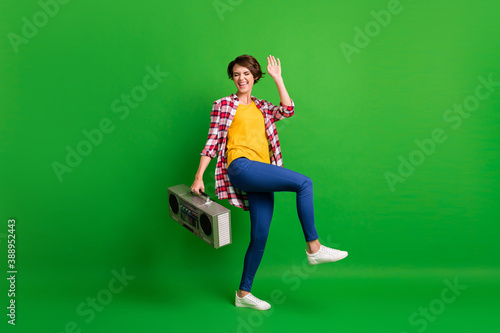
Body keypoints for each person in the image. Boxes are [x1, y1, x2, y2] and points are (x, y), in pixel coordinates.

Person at [191, 54, 348, 311]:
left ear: (254, 77)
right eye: (236, 74)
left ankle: (243, 293)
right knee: (304, 183)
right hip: (240, 166)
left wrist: (279, 79)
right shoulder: (223, 105)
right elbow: (211, 142)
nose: (241, 78)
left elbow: (287, 110)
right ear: (232, 78)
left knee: (260, 236)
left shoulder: (262, 106)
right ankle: (314, 247)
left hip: (261, 171)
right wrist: (199, 176)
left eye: (246, 74)